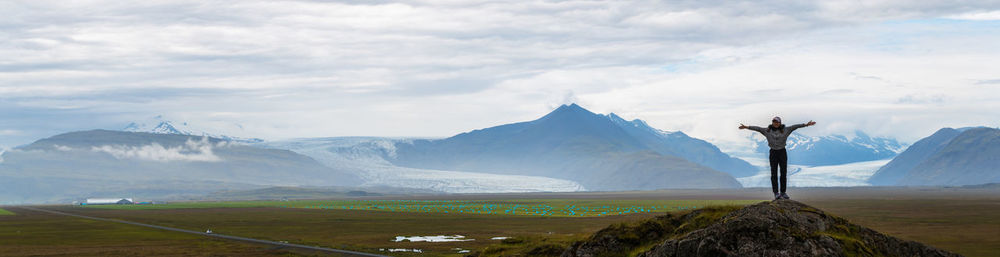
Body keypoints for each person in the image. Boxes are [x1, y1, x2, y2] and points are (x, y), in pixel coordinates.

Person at [739, 117, 816, 200]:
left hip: (782, 152)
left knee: (783, 173)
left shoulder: (786, 129)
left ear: (780, 123)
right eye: (774, 122)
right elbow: (757, 128)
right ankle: (776, 193)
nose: (775, 123)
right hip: (773, 153)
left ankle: (783, 192)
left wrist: (806, 125)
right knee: (774, 173)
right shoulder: (767, 131)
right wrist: (747, 127)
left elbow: (795, 126)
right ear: (772, 122)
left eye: (777, 122)